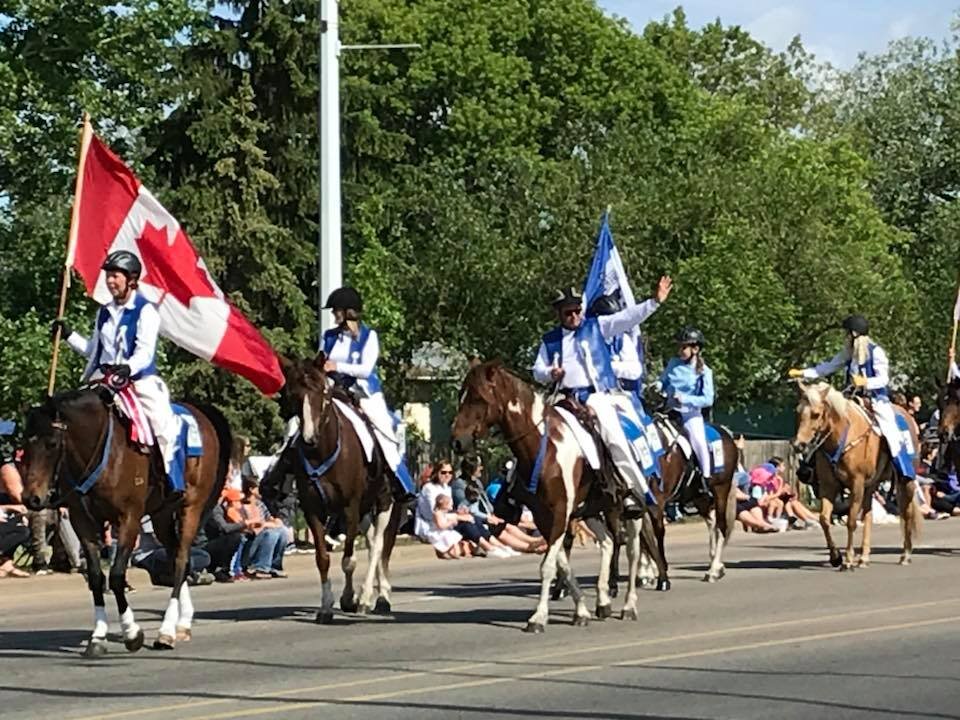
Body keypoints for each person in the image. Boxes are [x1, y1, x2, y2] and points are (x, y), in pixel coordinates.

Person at [50, 250, 184, 496]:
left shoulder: (146, 311)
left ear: (131, 279)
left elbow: (144, 352)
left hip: (138, 381)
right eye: (108, 277)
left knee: (164, 424)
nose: (110, 281)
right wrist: (69, 336)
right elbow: (94, 351)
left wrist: (128, 367)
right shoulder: (104, 312)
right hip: (103, 380)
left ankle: (172, 478)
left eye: (115, 277)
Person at [532, 279, 672, 509]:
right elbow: (538, 370)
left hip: (596, 395)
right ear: (559, 313)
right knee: (533, 429)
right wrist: (550, 372)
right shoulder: (550, 340)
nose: (574, 316)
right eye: (569, 312)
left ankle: (631, 487)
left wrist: (654, 302)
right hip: (563, 397)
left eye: (578, 310)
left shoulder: (597, 326)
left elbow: (627, 317)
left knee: (613, 434)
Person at [788, 314, 914, 480]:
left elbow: (884, 379)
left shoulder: (876, 352)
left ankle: (901, 468)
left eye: (847, 334)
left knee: (889, 427)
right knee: (826, 423)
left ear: (855, 334)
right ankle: (812, 467)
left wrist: (865, 382)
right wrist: (803, 372)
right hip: (850, 398)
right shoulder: (848, 353)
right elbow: (828, 367)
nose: (845, 337)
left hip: (875, 398)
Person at [320, 287, 416, 501]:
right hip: (334, 392)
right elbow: (321, 363)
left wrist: (337, 366)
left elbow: (364, 369)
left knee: (385, 435)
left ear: (348, 312)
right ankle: (280, 478)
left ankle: (400, 483)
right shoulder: (328, 336)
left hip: (364, 395)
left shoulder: (369, 336)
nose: (333, 314)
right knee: (302, 423)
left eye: (336, 310)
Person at [660, 327, 714, 478]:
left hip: (689, 414)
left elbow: (708, 399)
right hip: (668, 411)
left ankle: (706, 478)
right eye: (679, 347)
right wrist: (655, 387)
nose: (680, 351)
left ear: (695, 349)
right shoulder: (673, 363)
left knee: (699, 442)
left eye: (683, 347)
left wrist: (685, 399)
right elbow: (662, 381)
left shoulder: (705, 372)